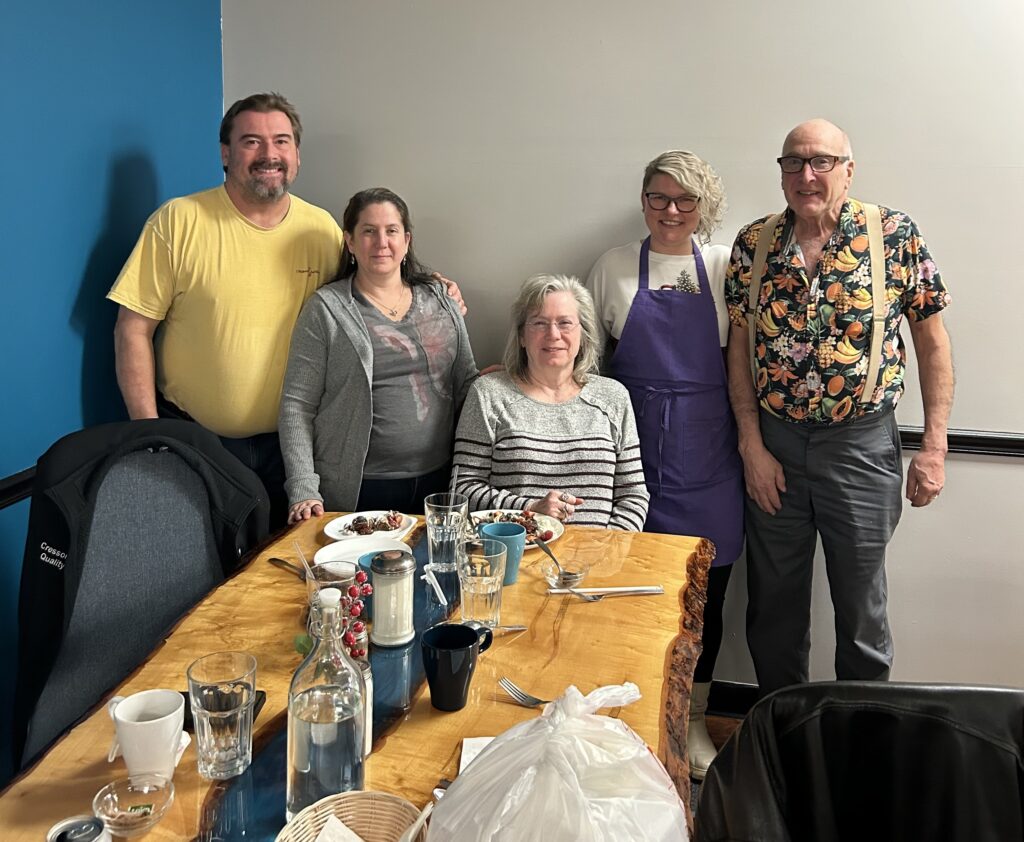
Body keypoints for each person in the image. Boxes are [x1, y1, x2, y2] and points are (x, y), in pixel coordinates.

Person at [107, 93, 464, 528]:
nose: (269, 155)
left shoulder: (321, 228)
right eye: (251, 142)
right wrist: (151, 435)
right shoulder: (178, 222)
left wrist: (435, 287)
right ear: (226, 152)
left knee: (288, 575)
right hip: (203, 442)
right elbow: (132, 330)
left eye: (281, 141)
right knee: (207, 570)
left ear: (296, 155)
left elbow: (378, 272)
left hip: (298, 449)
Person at [724, 119, 953, 696]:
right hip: (775, 443)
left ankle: (860, 743)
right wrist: (751, 445)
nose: (807, 175)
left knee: (861, 613)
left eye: (822, 161)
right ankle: (784, 736)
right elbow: (740, 350)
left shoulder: (894, 235)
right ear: (780, 173)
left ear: (848, 170)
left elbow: (933, 344)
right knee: (773, 609)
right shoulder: (754, 244)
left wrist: (934, 446)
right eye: (794, 163)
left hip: (861, 446)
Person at [586, 150, 743, 779]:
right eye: (657, 197)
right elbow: (585, 361)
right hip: (634, 457)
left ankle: (694, 720)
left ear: (705, 206)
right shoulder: (614, 266)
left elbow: (746, 360)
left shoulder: (727, 265)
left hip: (711, 456)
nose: (670, 212)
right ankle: (637, 716)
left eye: (685, 200)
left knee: (708, 597)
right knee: (634, 593)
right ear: (643, 199)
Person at [279, 188, 478, 523]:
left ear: (407, 240)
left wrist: (511, 384)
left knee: (434, 572)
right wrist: (303, 486)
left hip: (440, 483)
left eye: (391, 231)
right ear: (350, 242)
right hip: (361, 488)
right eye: (368, 231)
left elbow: (466, 383)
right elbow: (296, 405)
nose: (381, 241)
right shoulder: (326, 309)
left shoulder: (441, 299)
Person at [452, 274, 649, 531]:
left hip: (597, 561)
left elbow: (633, 495)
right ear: (522, 336)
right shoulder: (488, 393)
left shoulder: (613, 396)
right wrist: (530, 509)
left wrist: (606, 551)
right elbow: (462, 491)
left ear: (584, 334)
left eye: (565, 323)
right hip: (514, 552)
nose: (553, 334)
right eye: (539, 323)